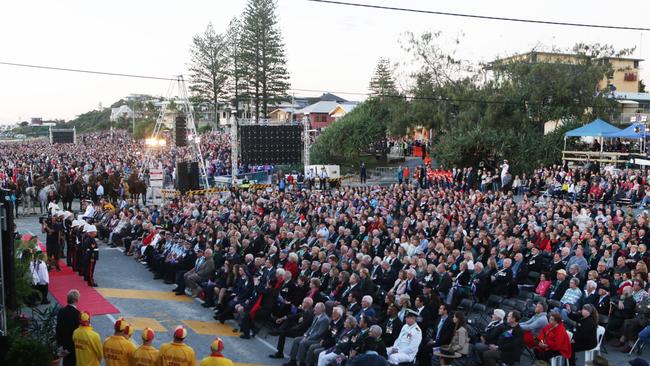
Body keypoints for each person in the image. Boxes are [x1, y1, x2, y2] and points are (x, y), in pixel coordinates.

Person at [284, 302, 330, 366]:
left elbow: (319, 333)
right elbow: (311, 327)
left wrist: (308, 338)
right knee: (296, 340)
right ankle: (293, 360)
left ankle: (301, 362)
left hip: (317, 339)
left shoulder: (325, 319)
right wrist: (305, 335)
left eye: (316, 308)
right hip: (310, 336)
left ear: (320, 309)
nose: (314, 309)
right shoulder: (316, 316)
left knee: (303, 343)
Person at [56, 289, 81, 366]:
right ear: (76, 300)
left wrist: (60, 344)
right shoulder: (77, 314)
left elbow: (58, 328)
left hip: (63, 343)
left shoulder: (61, 311)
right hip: (72, 345)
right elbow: (77, 332)